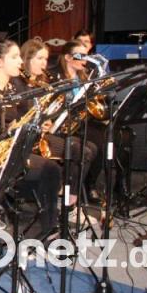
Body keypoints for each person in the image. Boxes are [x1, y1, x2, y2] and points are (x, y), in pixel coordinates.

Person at [0, 40, 62, 237]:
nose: (21, 61)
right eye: (14, 57)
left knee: (50, 169)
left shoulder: (11, 89)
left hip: (5, 144)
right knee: (37, 171)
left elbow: (12, 120)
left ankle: (46, 227)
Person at [19, 39, 99, 205]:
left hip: (43, 133)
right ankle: (67, 199)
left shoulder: (41, 83)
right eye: (40, 58)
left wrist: (47, 120)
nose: (44, 63)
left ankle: (68, 196)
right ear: (27, 59)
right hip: (29, 137)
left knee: (91, 147)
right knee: (82, 151)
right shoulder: (19, 84)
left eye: (46, 59)